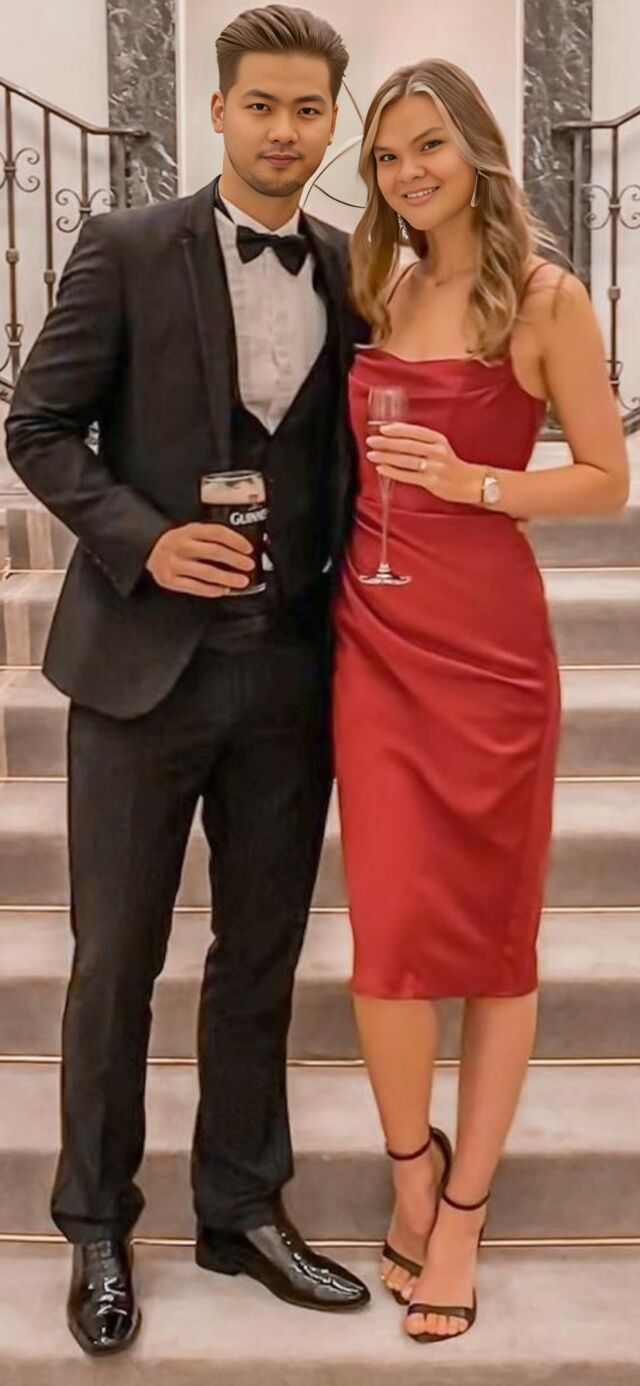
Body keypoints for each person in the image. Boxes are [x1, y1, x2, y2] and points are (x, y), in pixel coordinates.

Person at [5, 4, 371, 1356]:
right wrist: (145, 539)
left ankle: (242, 1208)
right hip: (139, 670)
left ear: (332, 123)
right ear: (217, 110)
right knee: (115, 959)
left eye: (308, 109)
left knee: (261, 953)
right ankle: (98, 1222)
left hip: (290, 671)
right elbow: (39, 426)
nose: (284, 130)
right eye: (261, 104)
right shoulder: (124, 246)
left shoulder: (355, 266)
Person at [332, 58, 629, 1346]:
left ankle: (465, 1209)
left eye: (429, 146)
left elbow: (607, 478)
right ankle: (411, 1172)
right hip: (374, 635)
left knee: (497, 938)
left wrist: (477, 483)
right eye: (388, 154)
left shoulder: (547, 297)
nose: (408, 172)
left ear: (478, 152)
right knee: (390, 933)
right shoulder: (385, 286)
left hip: (491, 647)